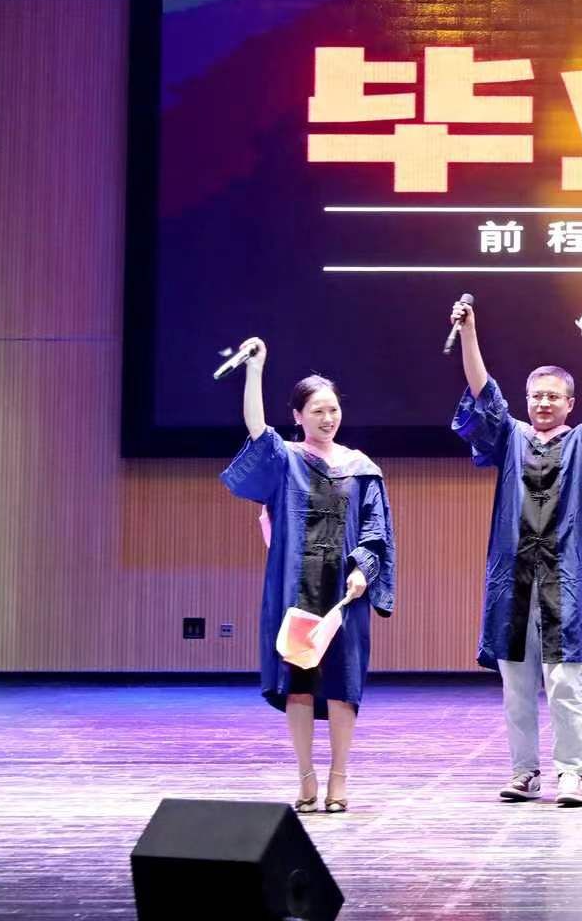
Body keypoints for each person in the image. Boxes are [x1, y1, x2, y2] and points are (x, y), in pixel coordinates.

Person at [449, 297, 582, 808]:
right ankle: (524, 772)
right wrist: (469, 333)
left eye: (552, 396)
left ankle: (571, 773)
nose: (542, 403)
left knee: (565, 682)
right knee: (516, 686)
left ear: (568, 403)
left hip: (566, 579)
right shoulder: (510, 439)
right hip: (511, 581)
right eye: (535, 395)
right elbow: (483, 392)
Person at [220, 338, 396, 814]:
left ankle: (339, 778)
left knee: (343, 685)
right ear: (298, 416)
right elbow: (257, 430)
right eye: (317, 410)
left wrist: (364, 570)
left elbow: (376, 530)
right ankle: (305, 777)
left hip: (344, 592)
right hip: (295, 590)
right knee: (298, 684)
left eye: (333, 409)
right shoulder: (286, 460)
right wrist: (255, 370)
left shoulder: (362, 468)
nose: (327, 418)